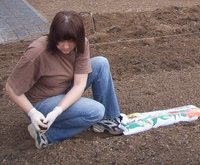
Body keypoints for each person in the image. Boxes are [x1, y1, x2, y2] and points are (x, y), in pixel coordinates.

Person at [4, 11, 123, 149]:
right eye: (60, 41)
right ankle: (47, 134)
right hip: (40, 103)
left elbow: (79, 84)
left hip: (63, 89)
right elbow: (11, 88)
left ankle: (107, 119)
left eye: (71, 41)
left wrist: (58, 111)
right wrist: (32, 112)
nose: (66, 46)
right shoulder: (37, 52)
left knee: (101, 63)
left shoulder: (81, 44)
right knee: (95, 111)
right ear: (53, 36)